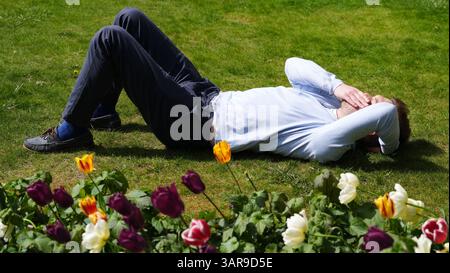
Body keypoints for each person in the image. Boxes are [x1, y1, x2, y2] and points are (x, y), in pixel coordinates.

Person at [23, 8, 410, 163]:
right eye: (369, 94)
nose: (367, 97)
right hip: (209, 95)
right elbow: (293, 64)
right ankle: (103, 110)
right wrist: (339, 86)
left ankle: (71, 131)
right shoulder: (325, 97)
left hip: (193, 125)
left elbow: (389, 113)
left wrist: (381, 133)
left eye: (370, 102)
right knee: (130, 19)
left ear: (370, 128)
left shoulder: (327, 140)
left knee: (110, 39)